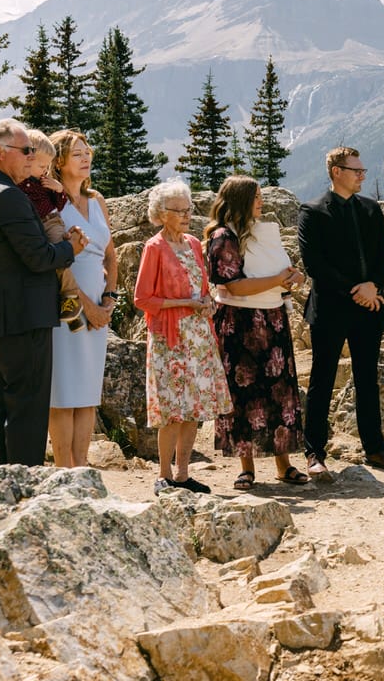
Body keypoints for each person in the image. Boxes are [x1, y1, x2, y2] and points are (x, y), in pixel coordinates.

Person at [0, 118, 88, 466]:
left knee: (3, 401)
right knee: (28, 407)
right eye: (25, 150)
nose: (31, 156)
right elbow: (40, 257)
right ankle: (26, 486)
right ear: (0, 152)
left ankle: (4, 478)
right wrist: (71, 248)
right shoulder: (7, 197)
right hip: (24, 318)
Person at [297, 146, 384, 478]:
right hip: (330, 308)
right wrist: (356, 291)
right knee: (322, 380)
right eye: (355, 170)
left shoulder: (371, 209)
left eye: (362, 171)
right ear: (336, 172)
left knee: (367, 379)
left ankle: (375, 448)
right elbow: (315, 264)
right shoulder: (312, 211)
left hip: (369, 307)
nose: (361, 175)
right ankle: (314, 453)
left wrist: (373, 286)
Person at [204, 175, 308, 489]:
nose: (261, 202)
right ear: (240, 200)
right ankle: (246, 467)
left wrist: (294, 276)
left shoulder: (261, 233)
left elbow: (278, 269)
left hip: (272, 316)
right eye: (256, 197)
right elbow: (232, 285)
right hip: (240, 323)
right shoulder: (223, 237)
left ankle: (284, 464)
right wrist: (278, 279)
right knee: (244, 392)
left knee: (279, 390)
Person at [133, 179, 232, 493]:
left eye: (188, 208)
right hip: (169, 339)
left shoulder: (191, 243)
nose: (187, 214)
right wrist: (184, 303)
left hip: (199, 335)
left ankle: (183, 474)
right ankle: (163, 474)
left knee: (195, 407)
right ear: (161, 214)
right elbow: (142, 298)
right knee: (173, 410)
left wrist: (206, 300)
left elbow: (199, 285)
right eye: (179, 210)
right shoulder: (154, 247)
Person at [46, 130, 117, 468]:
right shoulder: (52, 204)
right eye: (77, 153)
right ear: (58, 162)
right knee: (63, 391)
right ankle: (64, 468)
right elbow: (58, 263)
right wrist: (89, 306)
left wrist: (109, 298)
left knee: (88, 390)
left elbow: (111, 255)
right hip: (67, 304)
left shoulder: (97, 199)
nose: (86, 157)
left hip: (99, 306)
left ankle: (83, 465)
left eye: (87, 151)